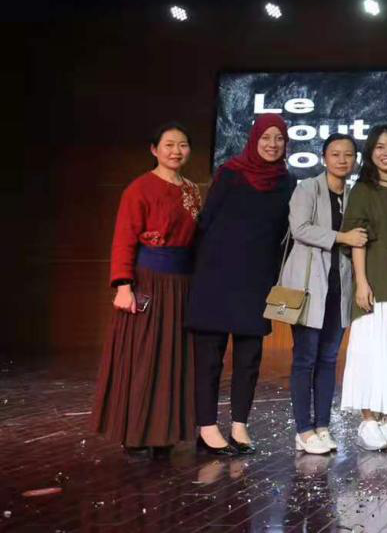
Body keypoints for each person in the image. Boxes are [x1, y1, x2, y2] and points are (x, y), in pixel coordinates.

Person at [92, 122, 203, 458]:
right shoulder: (139, 188)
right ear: (154, 149)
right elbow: (124, 239)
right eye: (169, 144)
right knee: (143, 355)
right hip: (149, 281)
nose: (176, 151)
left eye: (182, 145)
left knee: (174, 358)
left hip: (183, 284)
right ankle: (136, 431)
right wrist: (123, 285)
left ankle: (165, 434)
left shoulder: (192, 189)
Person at [188, 114, 295, 455]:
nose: (272, 144)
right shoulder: (230, 173)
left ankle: (239, 425)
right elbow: (206, 221)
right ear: (254, 139)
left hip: (256, 278)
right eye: (266, 137)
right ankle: (206, 427)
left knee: (249, 357)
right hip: (216, 276)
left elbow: (285, 233)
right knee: (209, 357)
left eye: (279, 138)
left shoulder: (287, 182)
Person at [283, 133, 367, 456]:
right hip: (308, 286)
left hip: (339, 287)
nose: (342, 160)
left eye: (348, 155)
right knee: (305, 358)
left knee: (329, 358)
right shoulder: (307, 188)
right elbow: (300, 228)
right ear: (324, 158)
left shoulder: (354, 194)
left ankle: (322, 426)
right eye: (335, 154)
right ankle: (303, 430)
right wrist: (343, 237)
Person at [340, 124, 387, 451]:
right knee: (369, 350)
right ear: (370, 152)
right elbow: (357, 239)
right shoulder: (362, 190)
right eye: (380, 147)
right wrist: (361, 282)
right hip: (373, 281)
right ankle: (368, 419)